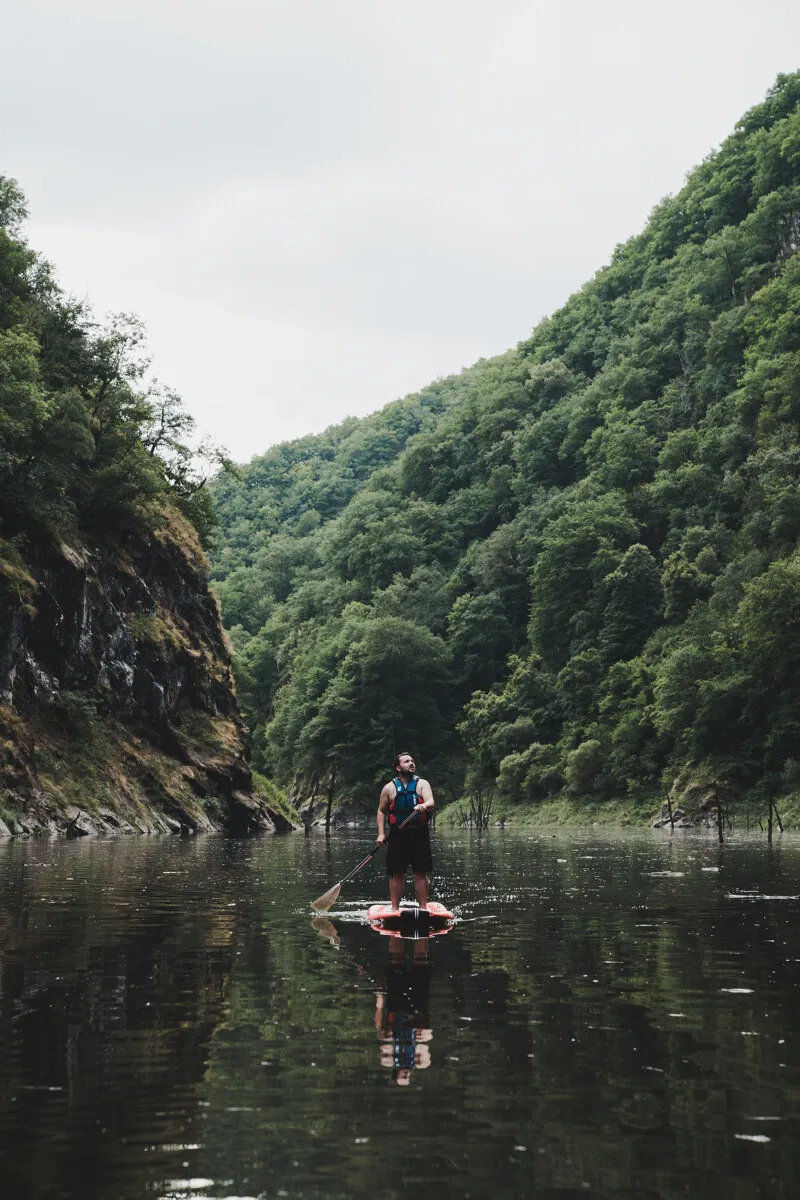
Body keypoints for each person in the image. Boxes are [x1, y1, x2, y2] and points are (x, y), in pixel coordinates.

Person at [376, 751, 435, 913]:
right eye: (406, 761)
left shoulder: (422, 784)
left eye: (412, 761)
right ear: (398, 767)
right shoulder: (389, 788)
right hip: (398, 834)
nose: (411, 763)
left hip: (419, 832)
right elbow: (381, 811)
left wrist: (423, 806)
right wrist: (381, 834)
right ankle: (395, 908)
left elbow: (430, 802)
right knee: (396, 873)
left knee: (420, 872)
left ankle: (423, 908)